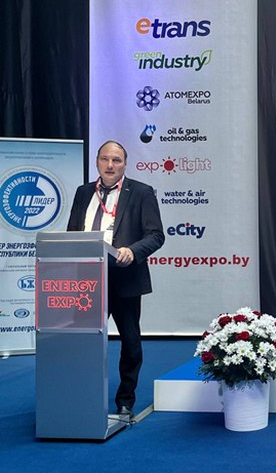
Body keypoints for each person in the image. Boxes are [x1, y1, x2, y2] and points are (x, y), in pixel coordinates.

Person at [67, 140, 165, 419]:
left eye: (116, 160)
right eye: (105, 159)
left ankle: (125, 401)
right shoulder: (83, 192)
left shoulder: (141, 192)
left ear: (125, 164)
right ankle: (84, 397)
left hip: (125, 279)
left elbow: (156, 235)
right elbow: (72, 233)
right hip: (87, 281)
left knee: (130, 343)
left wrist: (132, 251)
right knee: (84, 342)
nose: (110, 165)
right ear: (97, 161)